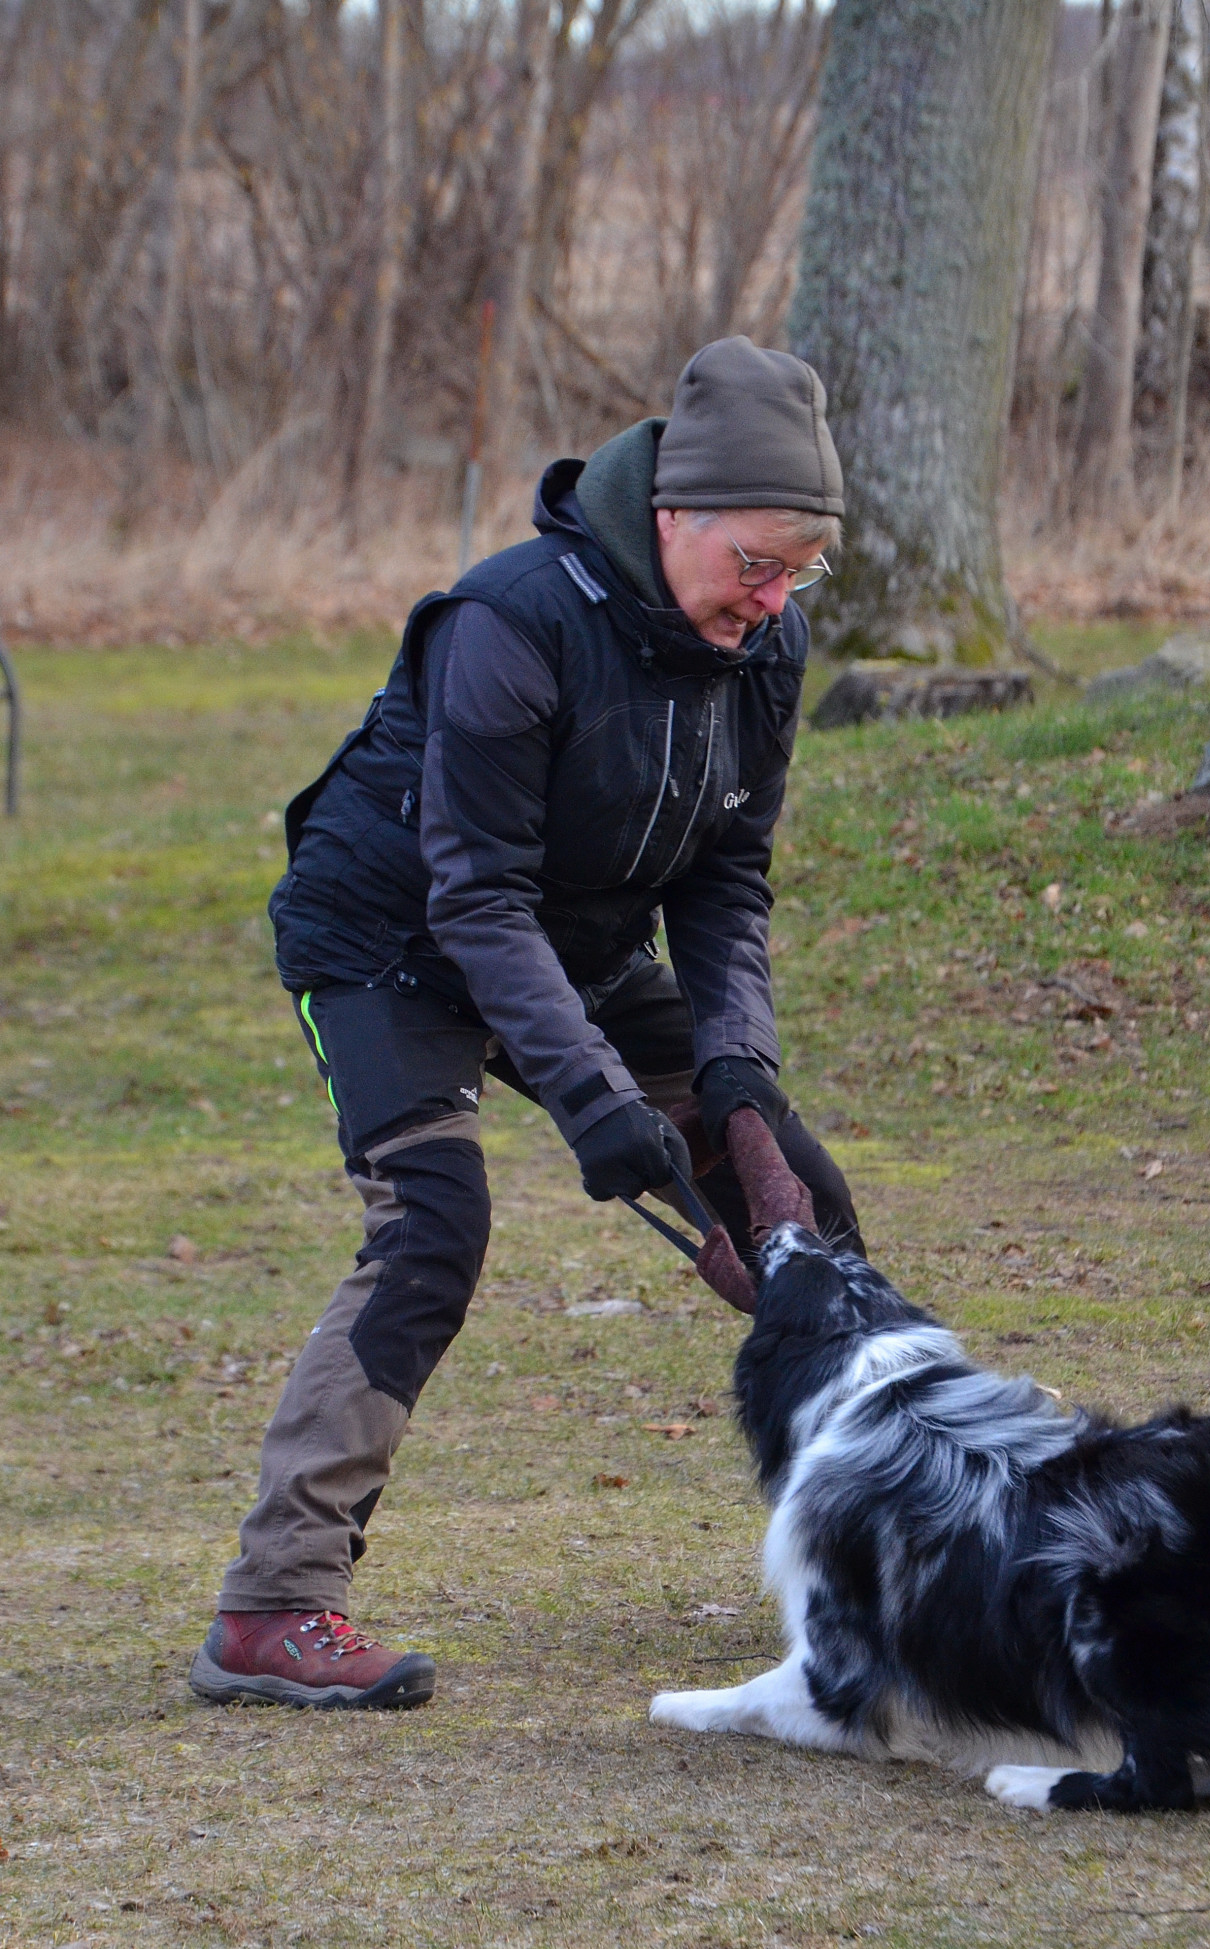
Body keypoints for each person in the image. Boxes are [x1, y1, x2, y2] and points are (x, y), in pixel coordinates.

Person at [188, 336, 864, 1710]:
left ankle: (865, 1558)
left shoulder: (765, 636)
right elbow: (476, 893)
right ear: (676, 514)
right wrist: (602, 1105)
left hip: (583, 935)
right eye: (755, 563)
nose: (776, 596)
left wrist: (732, 1071)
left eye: (802, 568)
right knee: (433, 1218)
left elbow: (729, 866)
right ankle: (274, 1607)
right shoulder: (513, 621)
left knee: (799, 1194)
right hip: (395, 939)